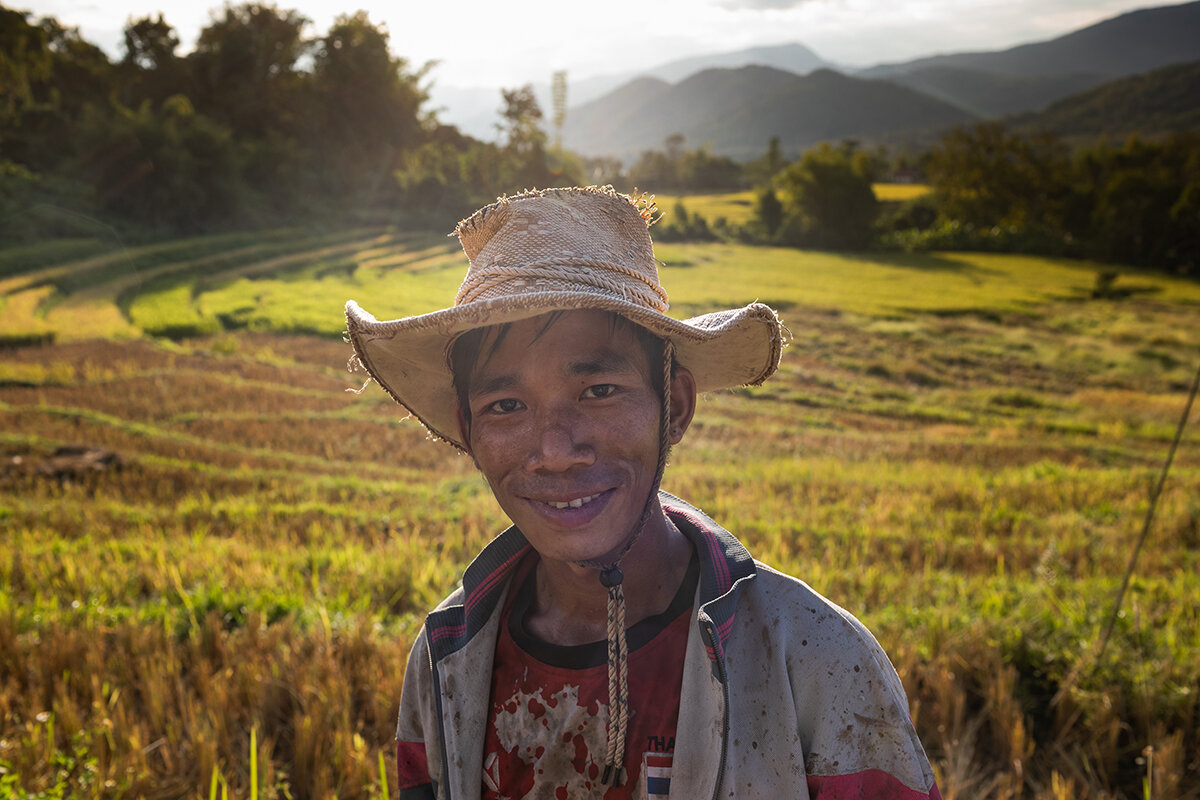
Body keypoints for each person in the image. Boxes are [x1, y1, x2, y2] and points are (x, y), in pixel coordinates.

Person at [345, 186, 941, 800]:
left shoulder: (816, 660)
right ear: (468, 431)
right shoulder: (449, 655)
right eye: (506, 405)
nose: (554, 449)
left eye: (599, 390)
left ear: (674, 408)